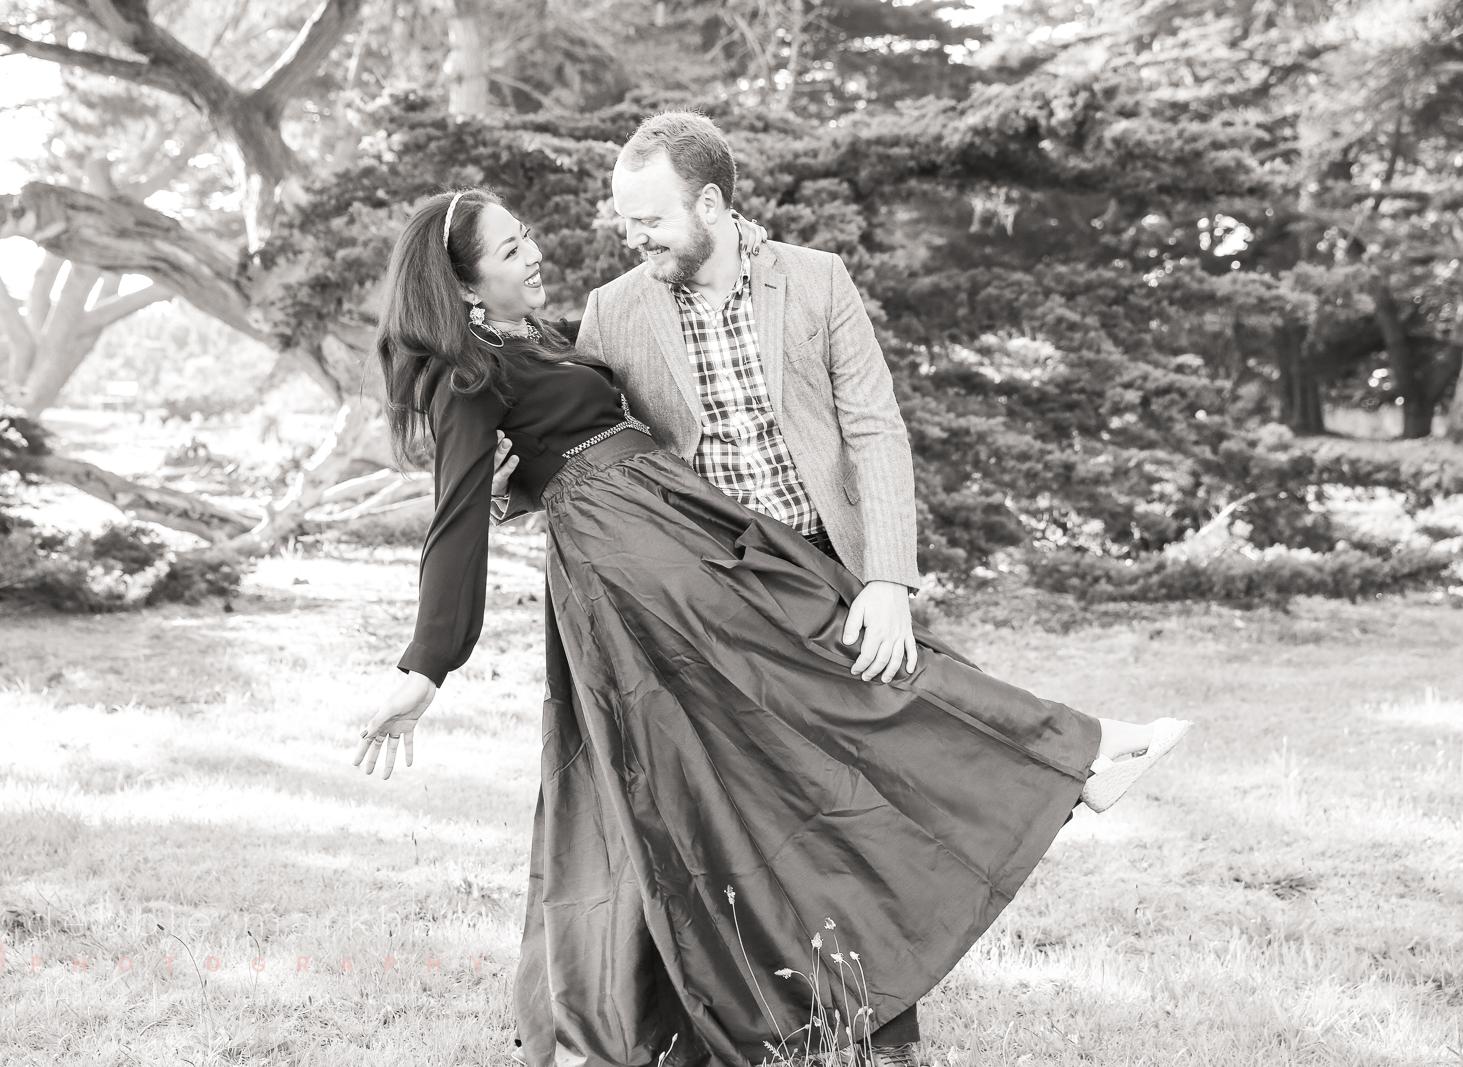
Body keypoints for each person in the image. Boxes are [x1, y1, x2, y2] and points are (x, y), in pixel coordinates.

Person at [352, 125, 1192, 1067]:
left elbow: (872, 429)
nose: (615, 240)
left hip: (745, 549)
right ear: (464, 282)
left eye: (650, 218)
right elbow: (476, 501)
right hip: (667, 577)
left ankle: (1048, 783)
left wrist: (887, 577)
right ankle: (1073, 758)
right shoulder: (583, 320)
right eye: (513, 248)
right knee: (726, 783)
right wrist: (426, 663)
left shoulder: (800, 282)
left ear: (710, 203)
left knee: (849, 718)